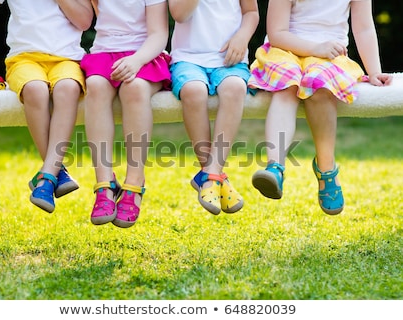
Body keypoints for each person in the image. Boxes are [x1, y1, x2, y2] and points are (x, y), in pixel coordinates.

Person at [248, 0, 393, 215]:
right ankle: (275, 167)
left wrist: (374, 71)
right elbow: (277, 33)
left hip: (329, 57)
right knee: (286, 86)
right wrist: (315, 47)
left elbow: (363, 28)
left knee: (320, 86)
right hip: (285, 51)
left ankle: (327, 168)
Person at [0, 0, 94, 213]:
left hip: (68, 59)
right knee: (35, 89)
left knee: (68, 88)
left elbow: (84, 21)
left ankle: (47, 175)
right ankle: (54, 171)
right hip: (23, 59)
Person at [80, 0, 171, 228]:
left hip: (144, 55)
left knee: (135, 88)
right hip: (104, 54)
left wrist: (136, 60)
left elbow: (159, 34)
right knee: (96, 86)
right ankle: (104, 182)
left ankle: (134, 182)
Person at [168, 0, 260, 215]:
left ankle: (211, 173)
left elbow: (251, 12)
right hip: (188, 58)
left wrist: (242, 37)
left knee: (236, 88)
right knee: (193, 90)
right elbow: (179, 15)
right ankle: (213, 175)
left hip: (229, 58)